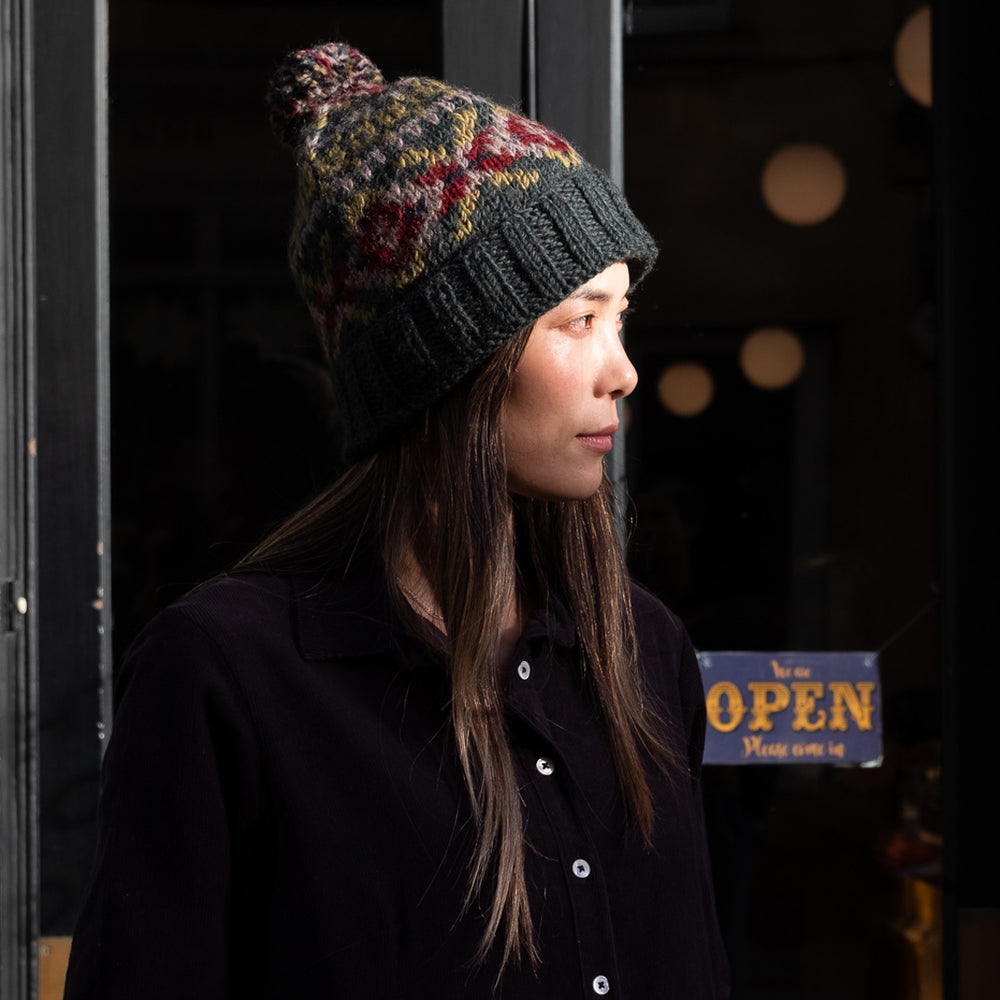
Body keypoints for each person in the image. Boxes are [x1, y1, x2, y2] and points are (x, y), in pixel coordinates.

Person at [63, 42, 729, 999]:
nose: (621, 369)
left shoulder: (642, 649)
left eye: (623, 317)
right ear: (450, 358)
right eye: (580, 319)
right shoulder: (228, 674)